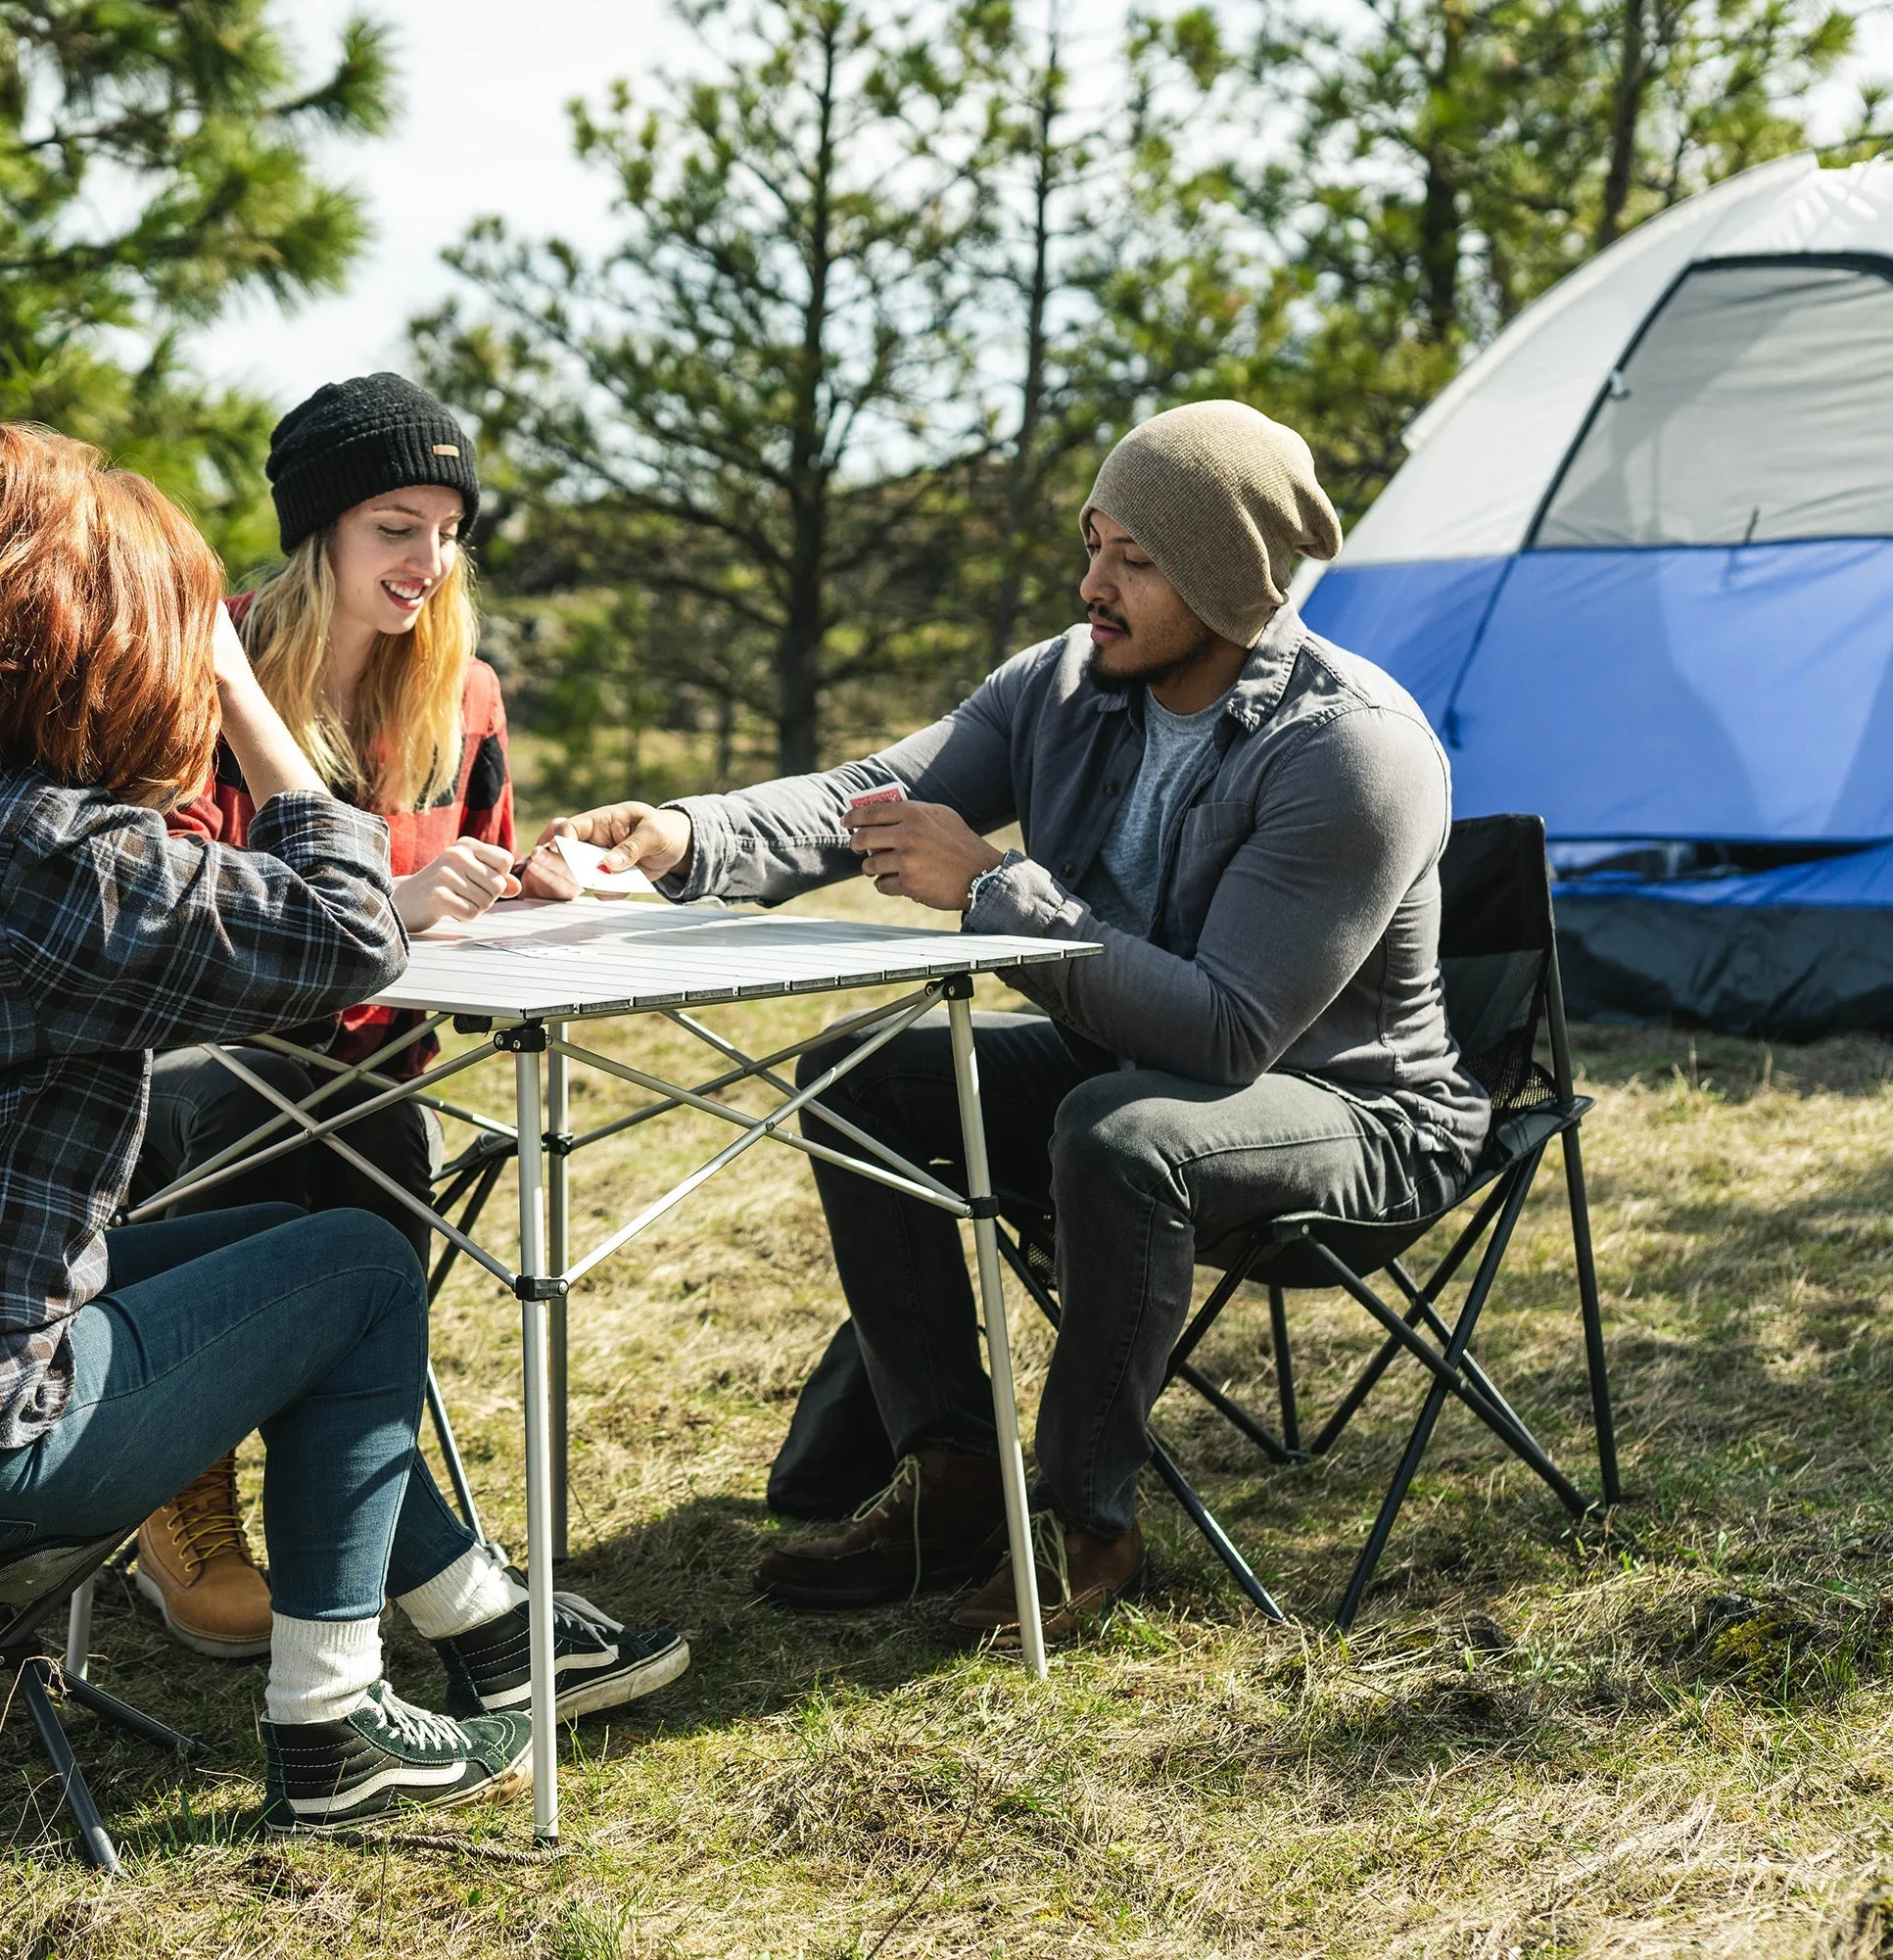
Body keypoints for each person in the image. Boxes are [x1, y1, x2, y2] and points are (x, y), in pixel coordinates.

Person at [0, 423, 670, 1832]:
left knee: (291, 1246)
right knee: (365, 1268)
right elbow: (346, 930)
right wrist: (252, 703)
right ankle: (330, 1726)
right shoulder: (37, 847)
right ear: (69, 638)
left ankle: (482, 1621)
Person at [540, 401, 1487, 1649]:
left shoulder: (1351, 751)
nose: (1094, 584)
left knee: (1119, 1132)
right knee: (856, 1070)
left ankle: (1087, 1521)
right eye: (1095, 543)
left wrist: (995, 889)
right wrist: (684, 837)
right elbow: (861, 799)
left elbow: (1223, 1032)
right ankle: (954, 1475)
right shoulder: (1064, 682)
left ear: (1232, 578)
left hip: (1359, 1115)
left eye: (1136, 561)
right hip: (1127, 1062)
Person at [120, 374, 631, 1681]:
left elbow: (481, 867)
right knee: (259, 1110)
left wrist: (533, 876)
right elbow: (169, 907)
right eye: (396, 526)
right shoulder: (200, 667)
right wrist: (374, 904)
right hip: (200, 1063)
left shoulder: (464, 699)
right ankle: (186, 1488)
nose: (429, 561)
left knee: (370, 1138)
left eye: (448, 530)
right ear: (321, 533)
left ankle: (359, 1522)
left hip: (376, 1060)